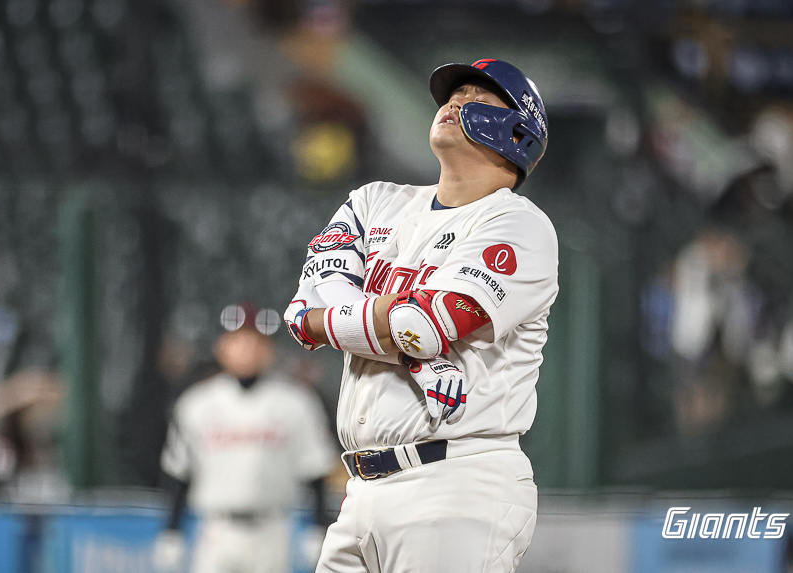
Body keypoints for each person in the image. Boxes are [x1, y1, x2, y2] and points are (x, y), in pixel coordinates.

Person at [283, 59, 557, 573]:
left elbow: (424, 327)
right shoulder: (373, 202)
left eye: (477, 97)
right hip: (362, 490)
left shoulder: (519, 225)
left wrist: (351, 319)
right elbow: (301, 314)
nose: (454, 102)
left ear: (520, 129)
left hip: (456, 483)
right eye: (452, 95)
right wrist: (400, 338)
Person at [155, 303, 338, 573]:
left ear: (270, 349)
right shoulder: (196, 403)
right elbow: (179, 472)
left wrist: (319, 525)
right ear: (221, 346)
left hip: (272, 528)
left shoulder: (296, 403)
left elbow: (315, 471)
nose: (247, 349)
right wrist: (172, 529)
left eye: (256, 341)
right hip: (216, 529)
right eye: (238, 340)